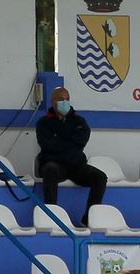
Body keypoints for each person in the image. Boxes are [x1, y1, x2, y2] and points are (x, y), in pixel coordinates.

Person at [36, 87, 107, 227]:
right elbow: (47, 145)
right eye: (61, 99)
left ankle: (87, 220)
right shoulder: (43, 123)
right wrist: (69, 142)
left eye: (67, 99)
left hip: (76, 166)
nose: (65, 102)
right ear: (52, 101)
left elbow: (81, 141)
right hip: (54, 165)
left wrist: (59, 139)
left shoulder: (80, 121)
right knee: (50, 170)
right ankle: (51, 218)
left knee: (100, 177)